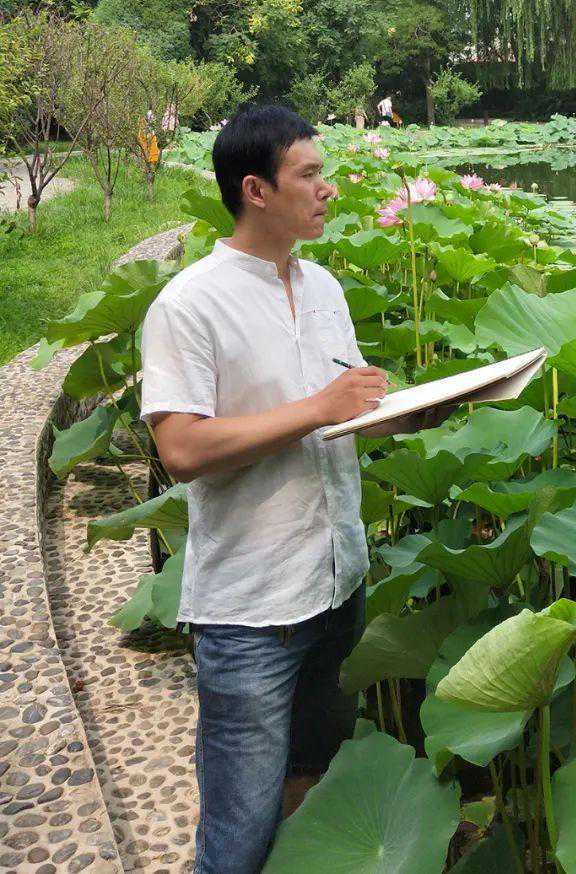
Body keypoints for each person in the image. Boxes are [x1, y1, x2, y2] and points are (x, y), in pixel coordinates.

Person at [140, 103, 389, 874]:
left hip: (337, 582)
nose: (328, 191)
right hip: (254, 614)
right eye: (310, 175)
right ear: (255, 189)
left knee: (310, 796)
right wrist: (320, 407)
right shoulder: (189, 305)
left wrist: (408, 412)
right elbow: (180, 448)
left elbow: (341, 411)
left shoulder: (323, 289)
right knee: (238, 834)